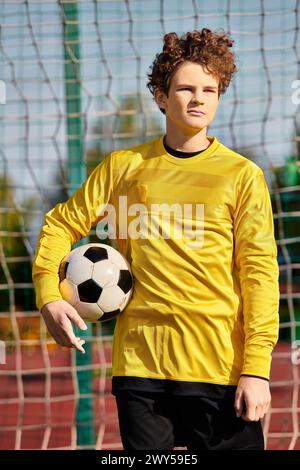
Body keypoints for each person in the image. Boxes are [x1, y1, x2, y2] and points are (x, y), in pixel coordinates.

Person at [32, 28, 280, 450]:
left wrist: (256, 369)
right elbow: (60, 224)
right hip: (141, 370)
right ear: (161, 96)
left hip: (218, 368)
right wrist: (49, 296)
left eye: (210, 89)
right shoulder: (123, 167)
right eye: (185, 88)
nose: (199, 98)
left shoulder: (242, 176)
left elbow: (259, 274)